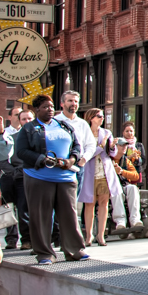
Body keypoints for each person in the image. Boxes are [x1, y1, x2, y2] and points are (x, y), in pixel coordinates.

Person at [15, 95, 89, 265]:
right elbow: (21, 152)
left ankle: (74, 250)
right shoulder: (28, 129)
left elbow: (77, 146)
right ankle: (45, 253)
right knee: (41, 215)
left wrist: (72, 159)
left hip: (66, 177)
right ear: (36, 110)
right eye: (44, 107)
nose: (49, 109)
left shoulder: (64, 125)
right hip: (39, 177)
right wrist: (42, 159)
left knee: (69, 214)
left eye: (51, 106)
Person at [79, 108, 120, 247]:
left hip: (104, 172)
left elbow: (111, 153)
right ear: (91, 118)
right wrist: (101, 145)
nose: (101, 118)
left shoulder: (106, 132)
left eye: (102, 116)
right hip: (89, 173)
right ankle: (88, 236)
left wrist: (112, 146)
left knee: (104, 203)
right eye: (98, 116)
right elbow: (87, 153)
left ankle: (101, 235)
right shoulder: (85, 133)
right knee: (89, 204)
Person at [4, 109, 34, 250]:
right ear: (19, 121)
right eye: (24, 119)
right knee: (13, 209)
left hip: (32, 177)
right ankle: (16, 239)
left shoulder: (41, 137)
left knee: (25, 210)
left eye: (29, 118)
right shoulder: (13, 138)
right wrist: (15, 171)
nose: (27, 122)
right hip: (14, 177)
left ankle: (28, 239)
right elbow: (4, 159)